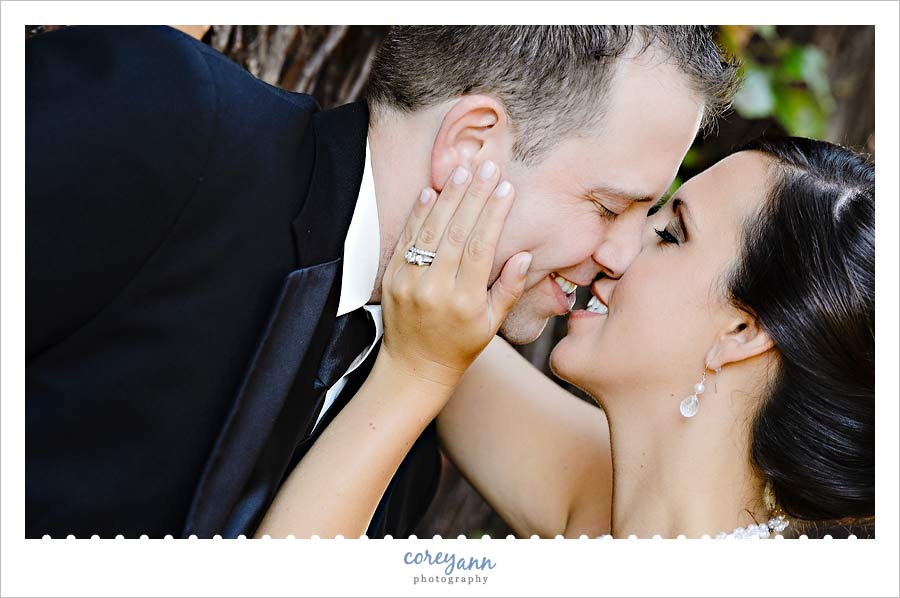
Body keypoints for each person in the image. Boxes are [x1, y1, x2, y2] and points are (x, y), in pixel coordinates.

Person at [25, 25, 738, 538]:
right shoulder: (172, 125)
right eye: (609, 206)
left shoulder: (400, 461)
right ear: (472, 145)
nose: (619, 256)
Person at [257, 137, 875, 539]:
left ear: (741, 332)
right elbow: (439, 321)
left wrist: (413, 376)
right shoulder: (608, 491)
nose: (616, 253)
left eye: (670, 235)